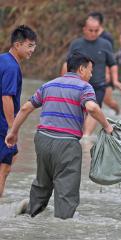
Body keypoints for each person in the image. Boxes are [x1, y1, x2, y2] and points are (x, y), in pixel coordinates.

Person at [6, 53, 113, 219]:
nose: (91, 75)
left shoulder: (48, 85)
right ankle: (62, 228)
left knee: (42, 184)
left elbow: (26, 108)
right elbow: (92, 108)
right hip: (67, 144)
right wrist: (107, 126)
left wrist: (13, 132)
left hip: (42, 140)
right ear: (81, 69)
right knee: (66, 192)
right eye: (90, 70)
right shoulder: (84, 87)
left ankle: (29, 211)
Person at [61, 16, 121, 136]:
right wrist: (63, 81)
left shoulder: (105, 44)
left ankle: (86, 136)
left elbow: (112, 64)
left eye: (96, 31)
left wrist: (115, 81)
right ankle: (79, 134)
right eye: (91, 30)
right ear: (85, 29)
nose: (93, 33)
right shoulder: (76, 44)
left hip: (98, 85)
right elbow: (67, 63)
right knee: (79, 110)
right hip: (78, 85)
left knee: (94, 108)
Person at [0, 25, 37, 197]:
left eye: (34, 46)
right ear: (17, 44)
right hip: (2, 126)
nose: (32, 50)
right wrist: (11, 128)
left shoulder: (2, 60)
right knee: (3, 170)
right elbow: (6, 97)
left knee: (12, 156)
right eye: (29, 45)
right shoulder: (12, 67)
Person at [87, 12, 121, 115]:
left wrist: (107, 73)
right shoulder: (89, 35)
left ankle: (118, 112)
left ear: (97, 22)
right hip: (92, 72)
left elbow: (109, 57)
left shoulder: (106, 37)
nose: (87, 22)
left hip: (105, 72)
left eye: (90, 20)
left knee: (107, 100)